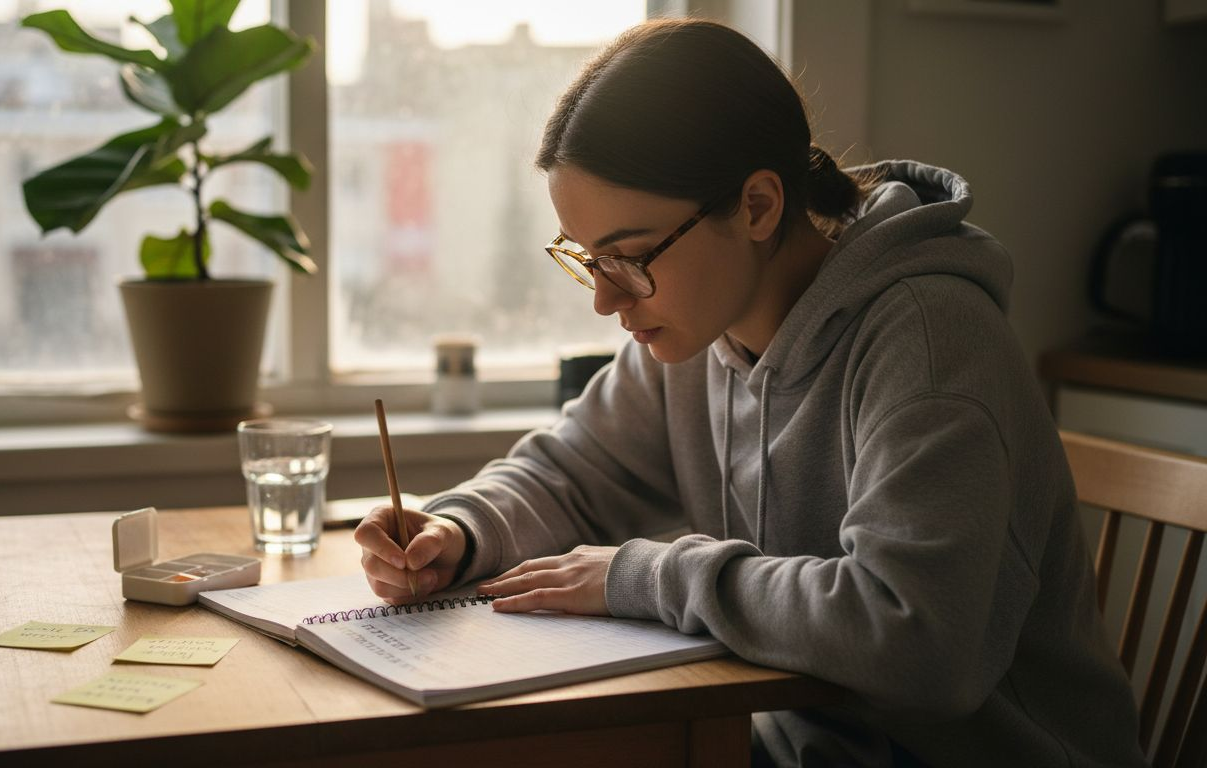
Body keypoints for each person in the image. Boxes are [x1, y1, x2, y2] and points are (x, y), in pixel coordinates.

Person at [353, 18, 1146, 767]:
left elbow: (916, 638)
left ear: (759, 206)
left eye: (628, 257)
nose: (604, 299)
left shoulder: (932, 344)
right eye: (586, 258)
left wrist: (646, 576)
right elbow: (571, 471)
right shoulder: (694, 329)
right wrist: (458, 529)